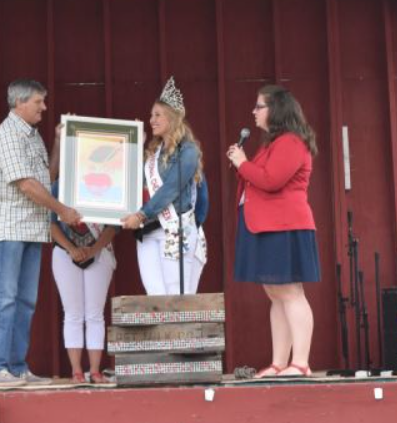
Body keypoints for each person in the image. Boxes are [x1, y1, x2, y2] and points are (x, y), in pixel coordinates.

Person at [0, 79, 82, 386]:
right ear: (19, 102)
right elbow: (26, 184)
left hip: (31, 229)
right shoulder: (7, 135)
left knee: (25, 301)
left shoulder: (33, 135)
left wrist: (57, 143)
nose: (44, 107)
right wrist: (62, 210)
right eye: (39, 101)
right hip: (9, 228)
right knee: (4, 298)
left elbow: (45, 178)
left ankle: (16, 367)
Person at [226, 85, 321, 378]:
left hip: (284, 225)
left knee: (290, 292)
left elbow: (271, 180)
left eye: (259, 106)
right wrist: (244, 164)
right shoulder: (273, 143)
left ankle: (300, 363)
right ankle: (280, 363)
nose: (253, 112)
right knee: (276, 293)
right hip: (267, 225)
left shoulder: (290, 142)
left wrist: (242, 163)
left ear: (276, 110)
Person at [121, 77, 208, 295]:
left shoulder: (188, 151)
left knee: (176, 296)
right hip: (148, 232)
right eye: (151, 115)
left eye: (157, 115)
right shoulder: (151, 153)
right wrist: (135, 146)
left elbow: (171, 189)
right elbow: (132, 183)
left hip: (175, 229)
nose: (151, 120)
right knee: (155, 296)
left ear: (172, 117)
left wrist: (141, 215)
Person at [48, 122, 116, 384]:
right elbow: (50, 223)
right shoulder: (59, 186)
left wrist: (93, 249)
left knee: (95, 313)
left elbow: (113, 226)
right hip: (65, 252)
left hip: (99, 251)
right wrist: (72, 248)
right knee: (73, 313)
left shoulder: (110, 185)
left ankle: (95, 371)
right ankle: (77, 371)